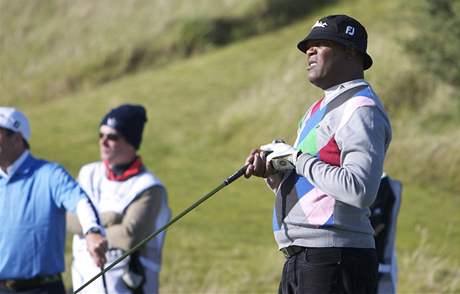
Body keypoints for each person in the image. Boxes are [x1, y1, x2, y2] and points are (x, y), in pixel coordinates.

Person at [244, 15, 392, 294]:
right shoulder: (317, 110)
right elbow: (315, 189)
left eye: (322, 44)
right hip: (306, 258)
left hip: (337, 258)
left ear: (351, 53)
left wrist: (297, 158)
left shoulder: (362, 109)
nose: (309, 51)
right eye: (308, 46)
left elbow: (359, 189)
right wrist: (275, 176)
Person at [0, 107, 108, 294]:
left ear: (17, 139)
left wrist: (92, 231)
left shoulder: (50, 174)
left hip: (42, 288)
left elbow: (81, 202)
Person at [67, 104, 171, 294]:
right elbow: (68, 218)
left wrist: (90, 224)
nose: (104, 142)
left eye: (112, 137)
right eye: (101, 135)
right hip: (83, 283)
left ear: (131, 142)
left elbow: (128, 236)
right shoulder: (88, 173)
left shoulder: (149, 187)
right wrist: (111, 218)